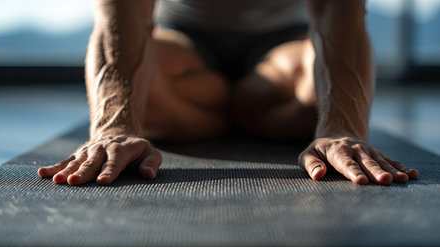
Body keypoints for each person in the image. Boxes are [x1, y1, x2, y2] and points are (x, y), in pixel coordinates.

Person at [38, 0, 419, 186]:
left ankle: (218, 108)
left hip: (282, 45)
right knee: (144, 98)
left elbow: (340, 8)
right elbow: (119, 11)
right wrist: (114, 127)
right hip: (182, 39)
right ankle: (247, 109)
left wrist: (339, 128)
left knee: (313, 100)